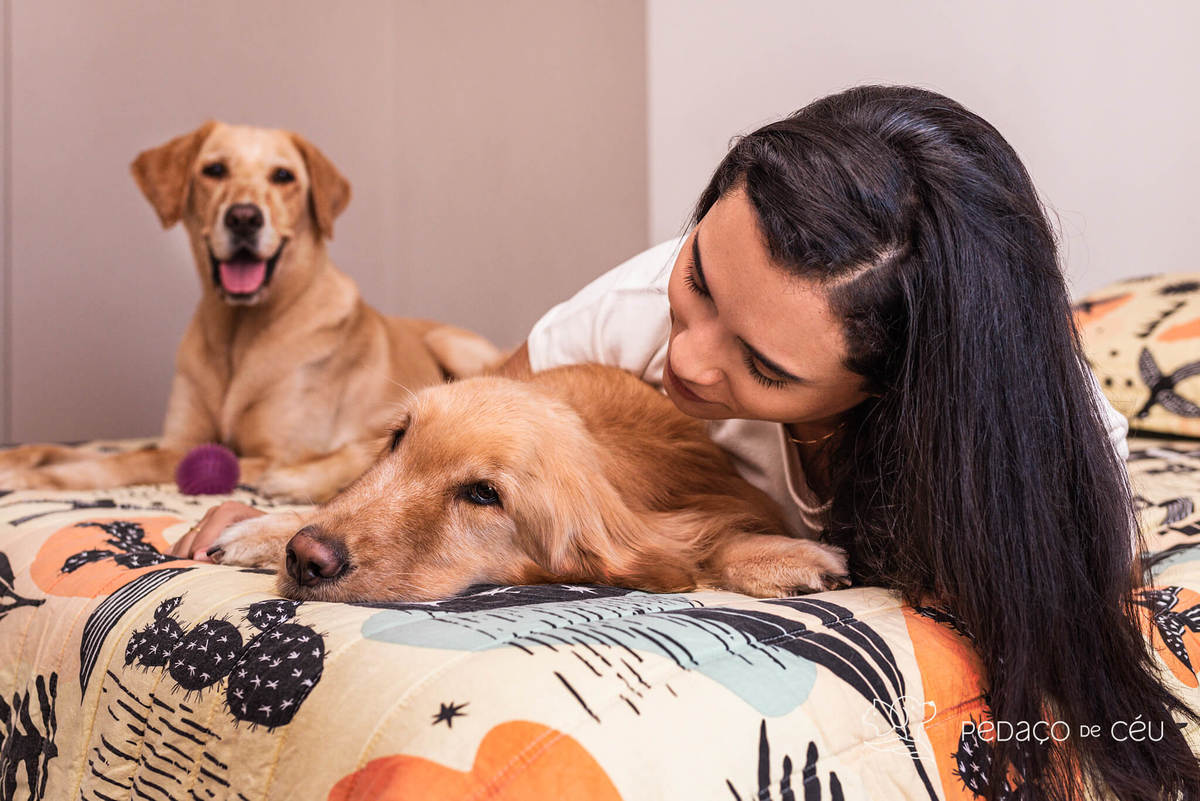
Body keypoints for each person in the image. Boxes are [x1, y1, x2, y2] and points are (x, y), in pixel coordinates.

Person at [176, 86, 1198, 800]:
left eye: (762, 365)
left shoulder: (1038, 468)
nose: (688, 361)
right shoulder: (630, 309)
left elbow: (1108, 700)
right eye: (700, 279)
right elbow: (457, 442)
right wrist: (301, 517)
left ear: (889, 392)